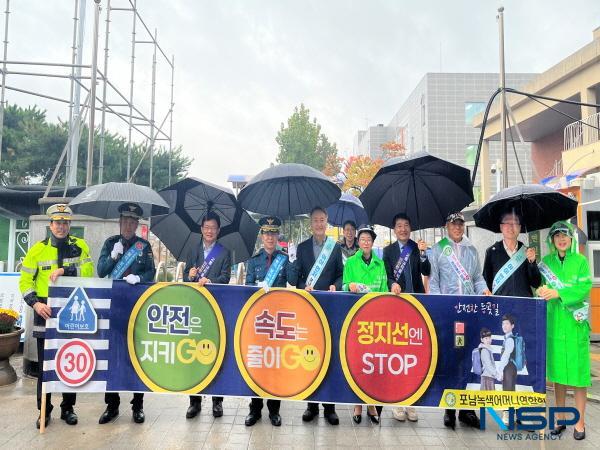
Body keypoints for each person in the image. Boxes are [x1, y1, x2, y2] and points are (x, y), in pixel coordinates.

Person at [19, 204, 93, 429]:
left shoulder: (80, 246)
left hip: (72, 311)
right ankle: (44, 410)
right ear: (50, 225)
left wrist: (66, 271)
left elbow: (89, 273)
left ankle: (68, 409)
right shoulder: (37, 250)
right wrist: (35, 303)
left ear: (69, 225)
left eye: (65, 222)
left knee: (71, 364)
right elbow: (25, 282)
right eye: (57, 222)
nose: (61, 226)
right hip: (45, 312)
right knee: (46, 367)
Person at [429, 212, 491, 429]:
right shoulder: (437, 250)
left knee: (468, 359)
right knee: (450, 360)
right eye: (453, 224)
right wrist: (439, 307)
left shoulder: (472, 250)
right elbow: (433, 282)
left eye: (460, 224)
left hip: (468, 313)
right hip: (449, 315)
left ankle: (466, 409)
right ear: (446, 226)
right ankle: (449, 408)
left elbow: (477, 278)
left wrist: (483, 290)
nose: (457, 227)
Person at [96, 203, 156, 425]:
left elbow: (150, 271)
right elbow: (101, 271)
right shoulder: (111, 243)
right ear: (120, 223)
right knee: (113, 355)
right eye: (125, 221)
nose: (129, 225)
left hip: (136, 306)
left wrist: (139, 278)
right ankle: (111, 405)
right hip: (114, 306)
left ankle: (138, 405)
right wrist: (113, 257)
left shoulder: (143, 245)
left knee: (136, 356)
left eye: (133, 222)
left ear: (137, 224)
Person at [537, 221, 591, 440]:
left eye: (565, 236)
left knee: (578, 377)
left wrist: (559, 293)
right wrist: (541, 290)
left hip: (575, 325)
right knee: (558, 375)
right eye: (557, 235)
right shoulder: (545, 263)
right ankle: (560, 418)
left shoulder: (580, 261)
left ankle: (580, 422)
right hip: (555, 326)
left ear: (571, 239)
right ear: (552, 239)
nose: (561, 239)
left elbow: (583, 287)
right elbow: (538, 288)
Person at [292, 206, 343, 426]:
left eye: (322, 220)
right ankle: (311, 404)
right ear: (310, 224)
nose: (319, 224)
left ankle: (329, 406)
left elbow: (341, 274)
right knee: (309, 354)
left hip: (329, 306)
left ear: (327, 222)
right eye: (315, 221)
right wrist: (304, 286)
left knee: (328, 354)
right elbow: (297, 279)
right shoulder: (301, 248)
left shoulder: (334, 247)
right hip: (309, 307)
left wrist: (335, 285)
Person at [183, 211, 232, 419]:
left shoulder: (224, 252)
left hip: (216, 308)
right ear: (201, 229)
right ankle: (194, 401)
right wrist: (190, 275)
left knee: (216, 352)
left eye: (213, 227)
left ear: (218, 230)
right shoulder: (193, 249)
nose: (209, 230)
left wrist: (211, 282)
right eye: (206, 227)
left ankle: (217, 401)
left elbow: (226, 277)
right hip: (196, 308)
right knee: (194, 353)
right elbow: (186, 276)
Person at [244, 216, 292, 427]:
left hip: (277, 322)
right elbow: (247, 288)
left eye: (273, 233)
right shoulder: (253, 260)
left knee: (275, 366)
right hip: (258, 321)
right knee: (256, 365)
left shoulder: (285, 258)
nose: (270, 237)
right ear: (262, 236)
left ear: (277, 236)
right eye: (266, 233)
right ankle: (254, 410)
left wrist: (293, 260)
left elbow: (292, 281)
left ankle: (274, 410)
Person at [382, 213, 430, 423]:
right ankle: (397, 401)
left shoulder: (416, 247)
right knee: (397, 354)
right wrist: (392, 283)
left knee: (413, 354)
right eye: (399, 225)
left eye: (406, 225)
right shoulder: (388, 251)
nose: (403, 229)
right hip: (396, 305)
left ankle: (412, 402)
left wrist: (423, 254)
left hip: (416, 305)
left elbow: (427, 271)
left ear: (410, 228)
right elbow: (386, 276)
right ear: (394, 229)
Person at [342, 225, 387, 424]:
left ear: (372, 242)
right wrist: (349, 286)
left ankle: (371, 405)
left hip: (375, 321)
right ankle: (357, 405)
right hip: (356, 320)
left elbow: (384, 291)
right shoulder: (350, 262)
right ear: (358, 243)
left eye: (369, 239)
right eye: (362, 239)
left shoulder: (380, 264)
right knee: (358, 363)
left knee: (374, 364)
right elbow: (344, 287)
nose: (366, 242)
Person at [482, 212, 541, 297]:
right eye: (507, 222)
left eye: (515, 223)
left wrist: (532, 262)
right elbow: (486, 282)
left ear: (520, 227)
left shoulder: (526, 252)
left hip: (523, 305)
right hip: (501, 305)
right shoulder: (492, 252)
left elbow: (536, 283)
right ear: (501, 227)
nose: (511, 226)